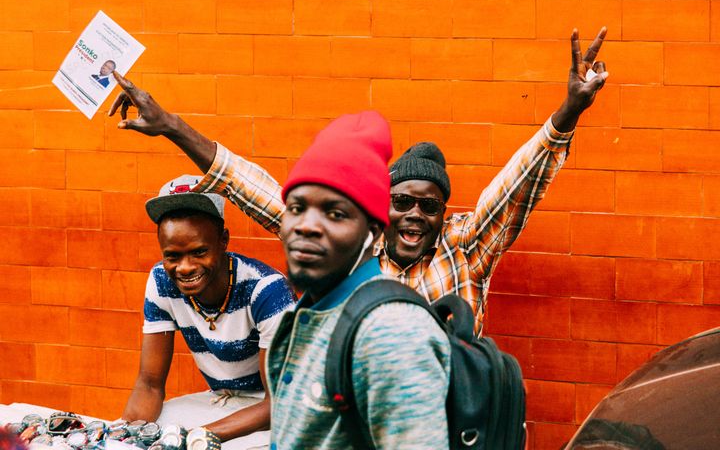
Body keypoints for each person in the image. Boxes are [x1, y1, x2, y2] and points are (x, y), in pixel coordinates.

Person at [110, 27, 608, 334]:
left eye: (429, 207)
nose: (414, 215)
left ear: (443, 215)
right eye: (403, 202)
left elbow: (516, 187)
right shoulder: (355, 251)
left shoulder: (467, 247)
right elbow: (252, 188)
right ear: (379, 207)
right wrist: (173, 127)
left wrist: (569, 111)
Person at [268, 110, 451, 447]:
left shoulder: (391, 332)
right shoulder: (312, 309)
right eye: (296, 208)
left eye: (335, 213)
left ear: (373, 232)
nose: (306, 225)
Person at [122, 175, 296, 450]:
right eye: (172, 256)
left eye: (199, 251)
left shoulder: (267, 291)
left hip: (274, 413)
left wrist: (197, 436)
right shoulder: (161, 280)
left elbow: (279, 403)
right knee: (142, 434)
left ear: (223, 240)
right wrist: (129, 438)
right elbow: (150, 384)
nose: (185, 267)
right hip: (217, 402)